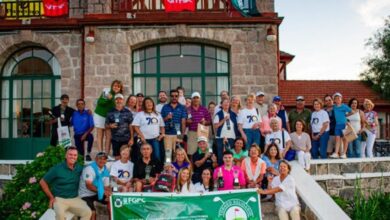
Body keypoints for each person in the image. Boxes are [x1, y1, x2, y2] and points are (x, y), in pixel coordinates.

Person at [39, 146, 91, 220]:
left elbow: (89, 173)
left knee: (87, 212)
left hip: (75, 198)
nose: (73, 157)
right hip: (60, 199)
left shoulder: (79, 168)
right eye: (70, 154)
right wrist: (51, 197)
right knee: (60, 215)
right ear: (66, 156)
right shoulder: (57, 169)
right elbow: (42, 182)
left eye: (75, 155)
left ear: (77, 157)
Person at [78, 152, 111, 220]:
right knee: (92, 212)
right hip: (85, 194)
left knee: (112, 200)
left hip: (96, 193)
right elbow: (89, 186)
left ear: (106, 161)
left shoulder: (105, 170)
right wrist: (103, 191)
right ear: (95, 159)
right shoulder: (90, 168)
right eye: (100, 159)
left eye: (104, 159)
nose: (102, 160)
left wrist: (108, 193)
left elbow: (106, 186)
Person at [94, 80, 123, 155]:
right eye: (115, 85)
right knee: (100, 134)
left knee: (109, 136)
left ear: (120, 88)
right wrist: (108, 98)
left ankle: (106, 154)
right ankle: (100, 153)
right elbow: (100, 102)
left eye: (118, 86)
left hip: (109, 117)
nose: (116, 87)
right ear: (112, 86)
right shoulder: (107, 91)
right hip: (100, 115)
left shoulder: (119, 96)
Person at [106, 93, 134, 160]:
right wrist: (110, 125)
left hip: (126, 139)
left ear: (123, 100)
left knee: (127, 157)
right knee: (117, 158)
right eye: (116, 99)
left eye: (120, 99)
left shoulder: (128, 112)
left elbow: (131, 126)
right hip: (115, 139)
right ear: (114, 101)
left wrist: (132, 138)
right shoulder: (110, 112)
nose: (118, 101)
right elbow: (106, 125)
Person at [161, 89, 188, 158]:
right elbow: (160, 122)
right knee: (168, 155)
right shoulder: (165, 107)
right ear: (169, 97)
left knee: (178, 155)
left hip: (177, 134)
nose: (174, 97)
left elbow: (183, 122)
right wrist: (166, 118)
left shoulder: (182, 107)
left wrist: (182, 135)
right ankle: (168, 167)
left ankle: (178, 169)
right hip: (167, 134)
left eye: (176, 96)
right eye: (172, 96)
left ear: (178, 97)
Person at [186, 92, 212, 156]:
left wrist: (205, 122)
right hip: (192, 132)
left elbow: (209, 121)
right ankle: (192, 165)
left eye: (197, 98)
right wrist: (187, 122)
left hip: (203, 132)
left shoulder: (204, 109)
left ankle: (204, 165)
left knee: (204, 151)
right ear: (191, 99)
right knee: (191, 151)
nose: (195, 99)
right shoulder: (187, 109)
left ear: (199, 99)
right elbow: (184, 122)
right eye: (194, 98)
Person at [214, 99, 238, 165]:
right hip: (221, 137)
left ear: (229, 104)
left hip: (232, 137)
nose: (226, 104)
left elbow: (237, 126)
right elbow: (216, 126)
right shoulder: (218, 114)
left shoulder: (233, 114)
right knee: (221, 156)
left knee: (230, 156)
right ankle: (221, 172)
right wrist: (224, 119)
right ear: (221, 105)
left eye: (227, 102)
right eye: (224, 103)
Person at [330, 93, 351, 159]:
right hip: (337, 125)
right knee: (337, 139)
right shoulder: (334, 106)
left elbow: (352, 112)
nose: (337, 99)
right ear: (334, 100)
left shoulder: (344, 106)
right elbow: (329, 107)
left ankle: (344, 153)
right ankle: (336, 153)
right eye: (336, 98)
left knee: (345, 139)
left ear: (341, 99)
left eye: (339, 98)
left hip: (344, 124)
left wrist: (346, 117)